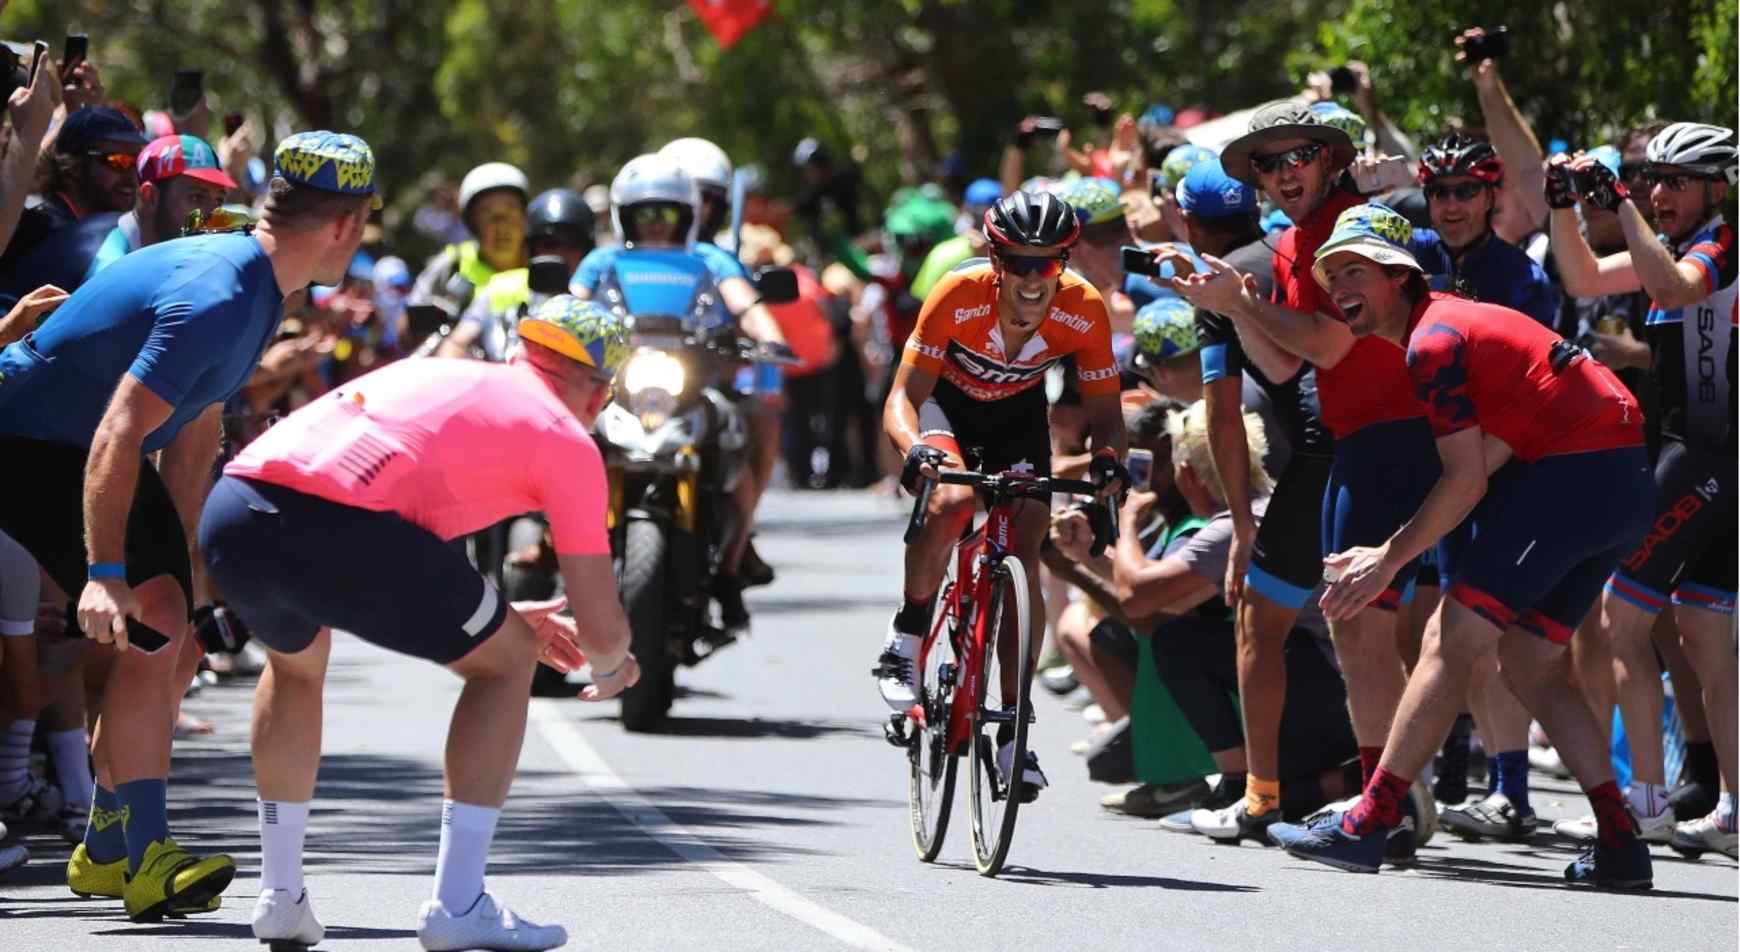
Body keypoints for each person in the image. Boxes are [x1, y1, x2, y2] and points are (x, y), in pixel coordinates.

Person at [0, 129, 377, 921]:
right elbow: (118, 433)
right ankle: (145, 855)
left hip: (90, 447)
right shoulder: (220, 293)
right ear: (345, 225)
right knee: (151, 623)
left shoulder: (261, 288)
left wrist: (192, 579)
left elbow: (194, 431)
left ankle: (106, 844)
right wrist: (106, 579)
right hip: (26, 440)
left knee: (174, 642)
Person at [201, 295, 639, 952]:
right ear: (601, 391)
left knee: (296, 663)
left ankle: (280, 897)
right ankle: (458, 903)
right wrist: (615, 662)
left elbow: (396, 542)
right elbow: (601, 633)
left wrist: (499, 614)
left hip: (235, 509)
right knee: (508, 661)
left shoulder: (450, 375)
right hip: (339, 526)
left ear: (523, 353)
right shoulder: (566, 438)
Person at [1266, 202, 1655, 889]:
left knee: (1451, 641)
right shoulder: (1455, 325)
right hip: (1617, 480)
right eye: (1330, 276)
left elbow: (1466, 480)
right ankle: (1621, 842)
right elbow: (1501, 448)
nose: (1338, 288)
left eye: (1355, 270)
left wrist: (1384, 557)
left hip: (1583, 473)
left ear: (1399, 278)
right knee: (1532, 661)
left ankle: (1371, 819)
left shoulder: (1433, 340)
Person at [1172, 101, 1436, 861]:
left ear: (1330, 160)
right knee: (1368, 628)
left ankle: (1377, 804)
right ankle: (1385, 799)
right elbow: (1289, 363)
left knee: (1389, 629)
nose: (1285, 173)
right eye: (1268, 163)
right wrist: (1231, 307)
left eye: (1299, 157)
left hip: (1399, 438)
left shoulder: (1353, 224)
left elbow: (1325, 343)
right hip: (1356, 445)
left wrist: (1238, 304)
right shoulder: (1287, 245)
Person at [876, 189, 1128, 799]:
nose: (1034, 277)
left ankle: (1014, 728)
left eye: (1049, 262)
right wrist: (915, 448)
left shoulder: (1083, 309)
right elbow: (902, 396)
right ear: (996, 258)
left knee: (1025, 541)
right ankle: (907, 635)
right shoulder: (956, 296)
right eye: (1019, 262)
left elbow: (1106, 413)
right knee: (954, 504)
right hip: (946, 408)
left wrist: (1109, 463)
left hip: (1017, 418)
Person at [1547, 122, 1737, 858]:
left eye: (1677, 182)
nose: (1661, 195)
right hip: (1710, 461)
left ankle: (1646, 805)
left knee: (1619, 615)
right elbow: (1584, 279)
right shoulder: (1680, 248)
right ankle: (1732, 810)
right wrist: (1563, 203)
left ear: (1716, 189)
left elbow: (1668, 285)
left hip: (1706, 457)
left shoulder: (1721, 244)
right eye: (1653, 179)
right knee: (1704, 640)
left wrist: (1620, 199)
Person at [1153, 156, 1341, 842]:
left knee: (1258, 625)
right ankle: (1401, 786)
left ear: (1185, 221)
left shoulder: (1214, 284)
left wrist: (1239, 525)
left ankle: (1259, 797)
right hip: (1384, 446)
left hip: (1321, 455)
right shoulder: (1288, 249)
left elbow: (1222, 417)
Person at [571, 153, 788, 631]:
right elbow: (570, 305)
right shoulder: (602, 260)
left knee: (753, 421)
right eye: (644, 213)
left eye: (666, 213)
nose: (655, 224)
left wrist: (769, 336)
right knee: (564, 436)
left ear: (687, 216)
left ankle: (731, 562)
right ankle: (556, 549)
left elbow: (745, 303)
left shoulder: (709, 260)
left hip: (695, 388)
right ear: (623, 215)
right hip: (617, 388)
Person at [1408, 135, 1557, 325]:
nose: (1452, 206)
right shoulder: (1407, 250)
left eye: (1466, 191)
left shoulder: (1525, 280)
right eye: (1439, 192)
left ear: (1489, 198)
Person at [439, 188, 595, 361]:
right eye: (549, 243)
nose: (560, 253)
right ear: (531, 248)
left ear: (588, 249)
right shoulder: (500, 286)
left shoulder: (607, 289)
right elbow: (456, 344)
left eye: (572, 244)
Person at [0, 106, 145, 273]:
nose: (132, 176)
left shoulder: (119, 233)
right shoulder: (34, 234)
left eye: (138, 161)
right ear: (73, 165)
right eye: (118, 161)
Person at [85, 134, 238, 278]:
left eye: (218, 200)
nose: (213, 216)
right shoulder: (110, 269)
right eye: (196, 197)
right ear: (149, 196)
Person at [408, 162, 530, 320]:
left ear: (524, 216)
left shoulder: (549, 261)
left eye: (510, 212)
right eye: (488, 215)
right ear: (472, 223)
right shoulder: (452, 264)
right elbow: (408, 325)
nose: (501, 227)